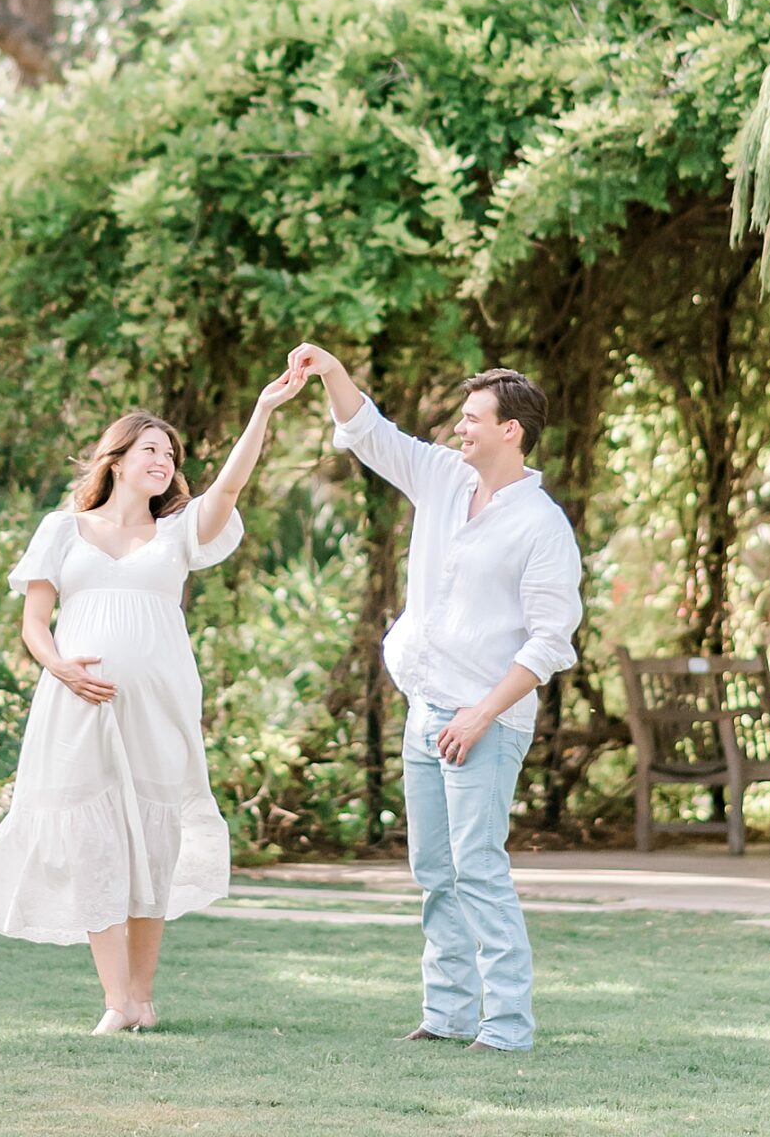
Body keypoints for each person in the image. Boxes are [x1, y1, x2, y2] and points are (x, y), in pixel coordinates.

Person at [0, 375, 302, 1032]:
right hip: (77, 708)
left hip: (160, 709)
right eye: (150, 449)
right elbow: (35, 622)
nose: (163, 462)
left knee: (152, 843)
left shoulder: (180, 533)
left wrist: (262, 407)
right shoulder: (62, 530)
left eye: (171, 456)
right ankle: (116, 1000)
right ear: (115, 459)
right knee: (92, 844)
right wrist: (59, 666)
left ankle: (142, 1000)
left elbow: (228, 487)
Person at [286, 344, 581, 1055]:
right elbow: (371, 432)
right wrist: (329, 371)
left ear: (510, 430)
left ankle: (506, 1025)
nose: (459, 429)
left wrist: (481, 714)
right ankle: (446, 1014)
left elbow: (549, 641)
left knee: (476, 866)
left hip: (484, 720)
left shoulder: (540, 524)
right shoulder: (443, 479)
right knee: (434, 873)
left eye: (472, 418)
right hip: (425, 710)